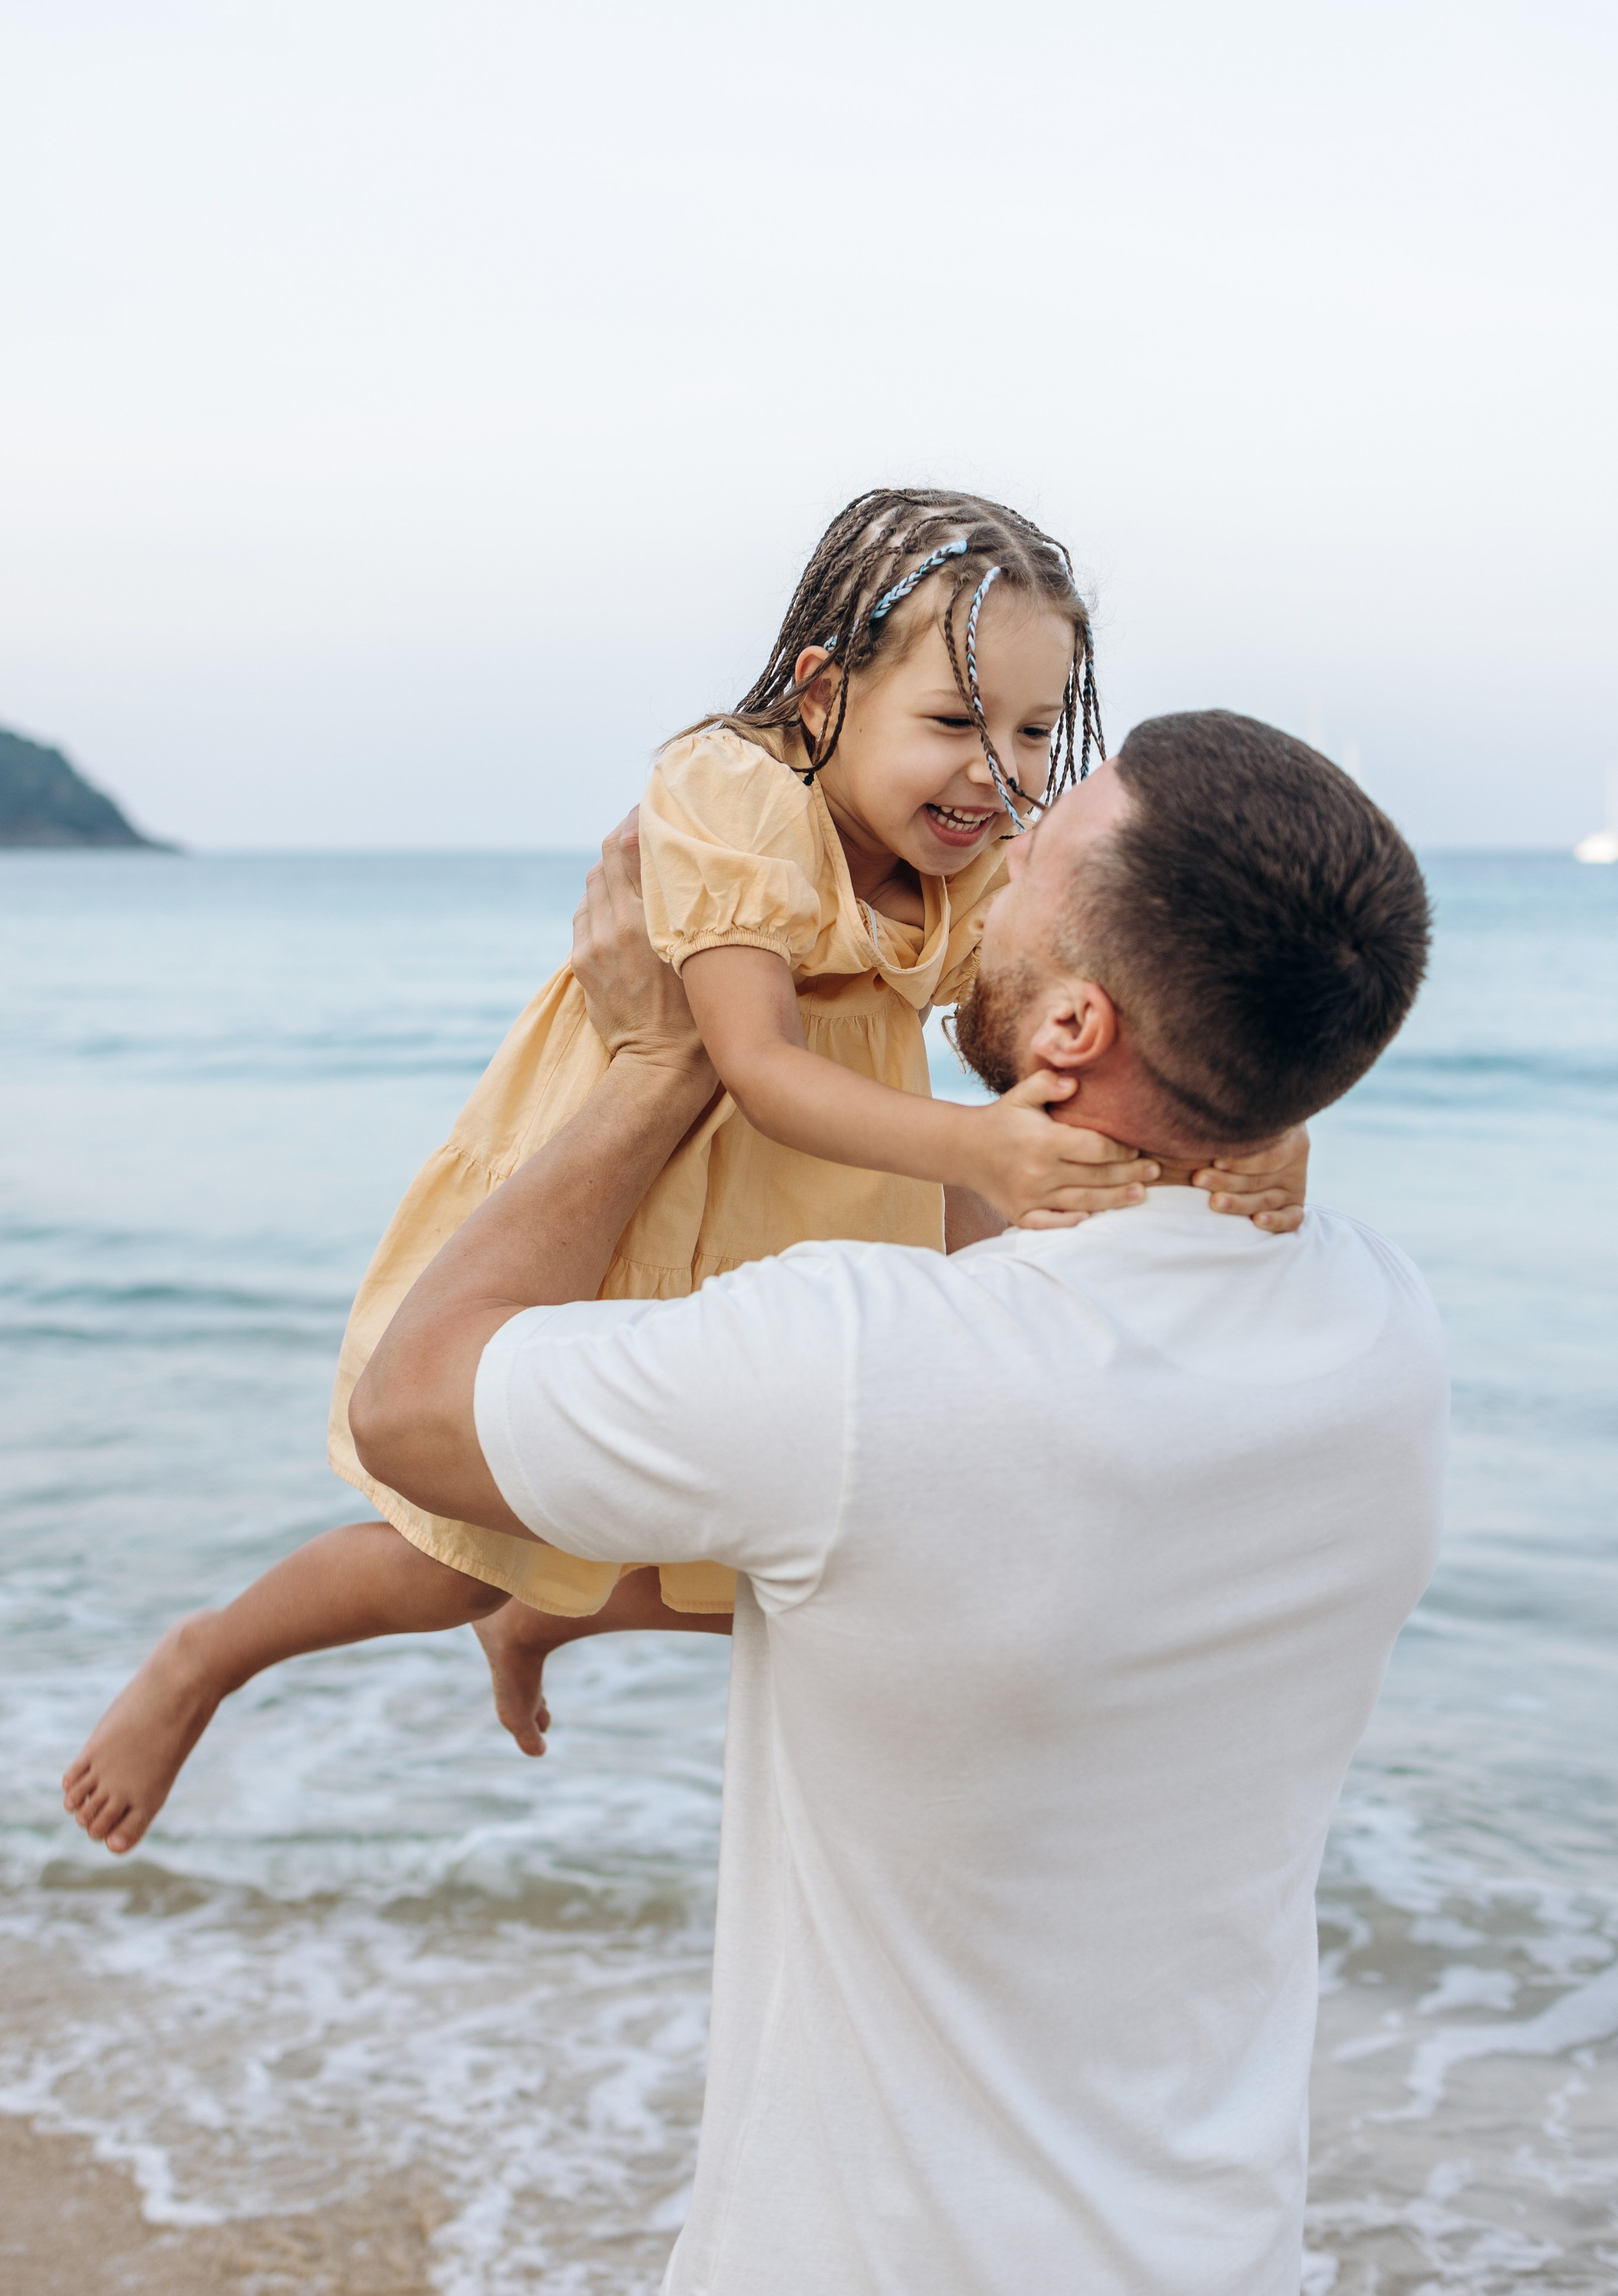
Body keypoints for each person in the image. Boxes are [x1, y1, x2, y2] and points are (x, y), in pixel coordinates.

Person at [348, 709, 1446, 2296]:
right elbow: (998, 1496)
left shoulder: (865, 1370)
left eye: (1044, 853)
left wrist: (666, 1053)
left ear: (1079, 1022)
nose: (997, 853)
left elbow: (412, 1403)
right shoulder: (1383, 1325)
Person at [63, 491, 1303, 1854]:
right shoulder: (735, 793)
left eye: (1027, 729)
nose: (992, 772)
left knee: (806, 1554)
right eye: (952, 723)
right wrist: (978, 1144)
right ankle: (208, 1658)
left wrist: (1238, 1125)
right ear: (824, 693)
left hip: (819, 1205)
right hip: (652, 1187)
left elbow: (1068, 1006)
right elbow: (755, 1063)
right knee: (441, 1561)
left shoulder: (965, 857)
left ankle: (553, 1606)